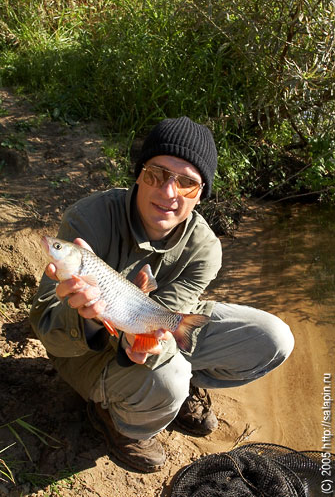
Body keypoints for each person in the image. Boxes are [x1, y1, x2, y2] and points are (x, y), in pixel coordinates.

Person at [30, 116, 294, 473]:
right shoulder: (88, 218)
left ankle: (172, 389)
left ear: (200, 195)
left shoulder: (204, 247)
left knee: (272, 338)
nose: (168, 193)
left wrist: (139, 344)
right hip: (82, 353)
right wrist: (85, 318)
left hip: (144, 319)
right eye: (157, 174)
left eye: (186, 183)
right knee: (166, 380)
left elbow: (166, 315)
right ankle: (123, 423)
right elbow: (47, 331)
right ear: (139, 174)